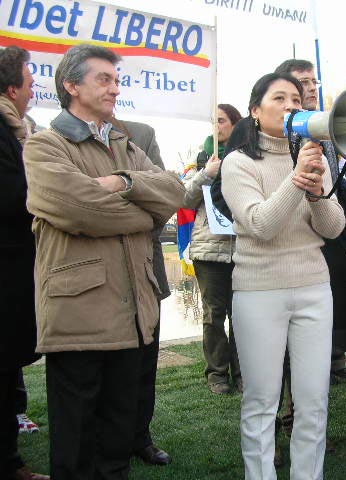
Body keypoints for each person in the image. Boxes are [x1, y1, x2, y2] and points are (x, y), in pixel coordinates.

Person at [22, 44, 184, 479]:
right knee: (76, 446)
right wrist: (144, 214)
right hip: (80, 316)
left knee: (116, 443)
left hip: (132, 314)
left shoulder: (123, 144)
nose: (115, 88)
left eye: (117, 80)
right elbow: (80, 210)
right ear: (71, 85)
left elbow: (173, 192)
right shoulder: (45, 146)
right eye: (104, 79)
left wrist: (123, 181)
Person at [220, 72, 345, 480]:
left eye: (296, 98)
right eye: (279, 98)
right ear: (255, 111)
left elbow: (333, 228)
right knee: (261, 400)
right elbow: (261, 224)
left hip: (314, 287)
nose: (291, 105)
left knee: (313, 400)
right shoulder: (238, 163)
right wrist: (296, 180)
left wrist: (316, 191)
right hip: (259, 290)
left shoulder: (313, 157)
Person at [274, 58, 346, 383]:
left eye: (313, 82)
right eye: (302, 82)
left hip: (328, 223)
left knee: (332, 300)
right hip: (294, 234)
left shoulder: (325, 126)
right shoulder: (278, 131)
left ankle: (334, 361)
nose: (310, 88)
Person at [112, 118, 173, 466]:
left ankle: (140, 437)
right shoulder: (59, 139)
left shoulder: (142, 134)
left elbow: (164, 198)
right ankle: (108, 441)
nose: (111, 92)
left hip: (148, 267)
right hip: (100, 274)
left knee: (145, 361)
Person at [0, 45, 49, 480]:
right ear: (12, 88)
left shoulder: (19, 130)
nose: (34, 90)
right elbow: (15, 197)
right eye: (30, 83)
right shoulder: (5, 133)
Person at [184, 103, 242, 395]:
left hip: (243, 247)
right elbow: (184, 198)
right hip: (210, 249)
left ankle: (243, 372)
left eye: (221, 120)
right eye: (212, 121)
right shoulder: (201, 159)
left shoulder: (248, 155)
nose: (215, 126)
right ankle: (217, 373)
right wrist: (206, 173)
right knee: (214, 315)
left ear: (235, 124)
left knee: (243, 316)